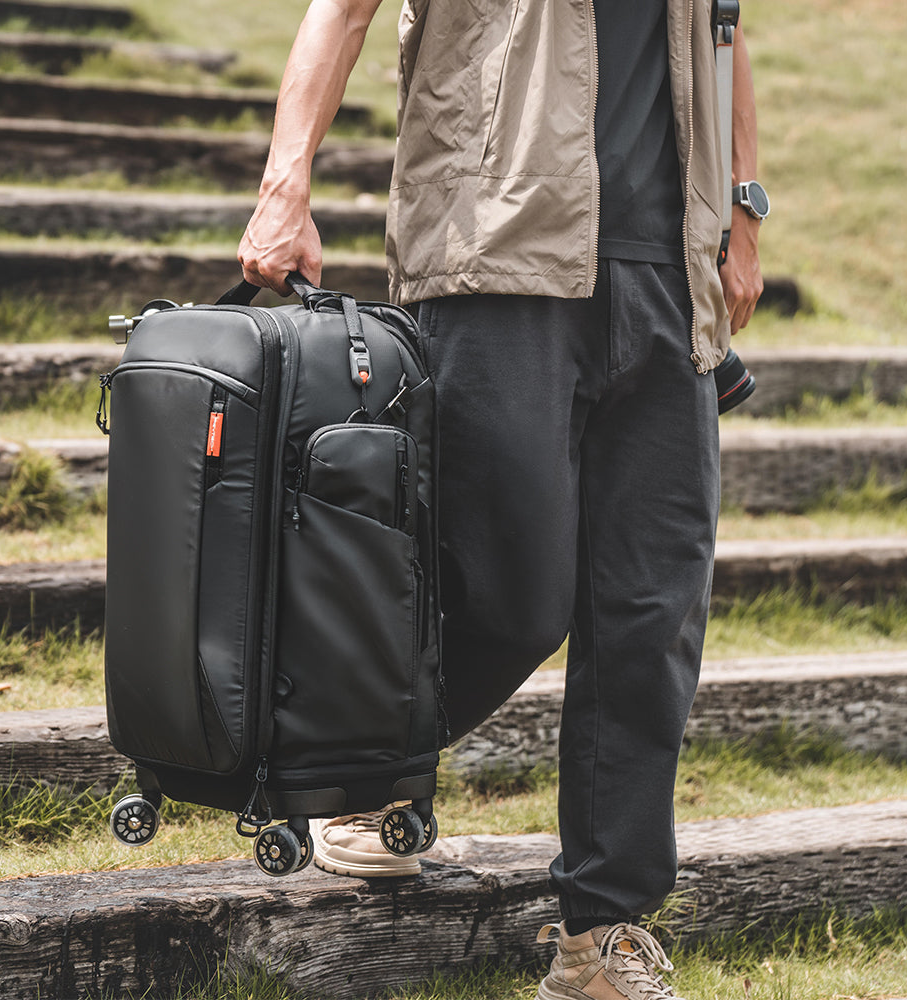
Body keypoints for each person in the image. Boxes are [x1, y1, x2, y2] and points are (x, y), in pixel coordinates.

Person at [239, 0, 765, 996]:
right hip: (494, 253)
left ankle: (601, 933)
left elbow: (724, 30)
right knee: (507, 585)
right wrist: (285, 183)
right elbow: (341, 9)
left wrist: (742, 206)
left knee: (650, 611)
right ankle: (356, 778)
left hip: (666, 272)